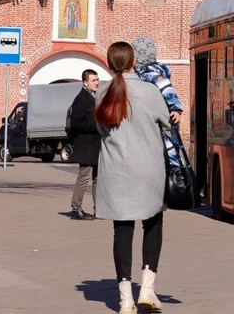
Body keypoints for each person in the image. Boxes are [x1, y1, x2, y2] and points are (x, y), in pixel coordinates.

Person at [95, 42, 171, 314]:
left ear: (108, 62)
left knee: (122, 230)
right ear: (133, 61)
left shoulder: (102, 92)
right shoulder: (149, 91)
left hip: (115, 171)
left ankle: (125, 297)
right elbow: (168, 124)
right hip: (148, 169)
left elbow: (101, 129)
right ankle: (148, 288)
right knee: (153, 223)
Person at [131, 37, 183, 166]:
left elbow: (167, 90)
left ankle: (176, 174)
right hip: (159, 118)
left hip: (162, 120)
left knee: (169, 149)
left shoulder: (151, 73)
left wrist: (175, 108)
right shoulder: (143, 72)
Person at [68, 69, 100, 221]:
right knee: (84, 177)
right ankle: (76, 209)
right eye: (94, 80)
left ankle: (98, 208)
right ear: (85, 82)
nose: (97, 83)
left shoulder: (95, 97)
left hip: (95, 145)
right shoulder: (81, 99)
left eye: (97, 80)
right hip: (86, 145)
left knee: (97, 178)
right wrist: (96, 125)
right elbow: (76, 123)